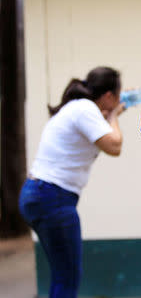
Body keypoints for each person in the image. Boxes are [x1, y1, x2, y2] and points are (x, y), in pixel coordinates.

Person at [19, 66, 125, 298]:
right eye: (118, 95)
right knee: (67, 277)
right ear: (108, 96)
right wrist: (115, 116)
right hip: (53, 197)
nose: (119, 100)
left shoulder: (76, 108)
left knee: (61, 274)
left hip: (39, 194)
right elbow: (115, 146)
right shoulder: (85, 109)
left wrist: (109, 116)